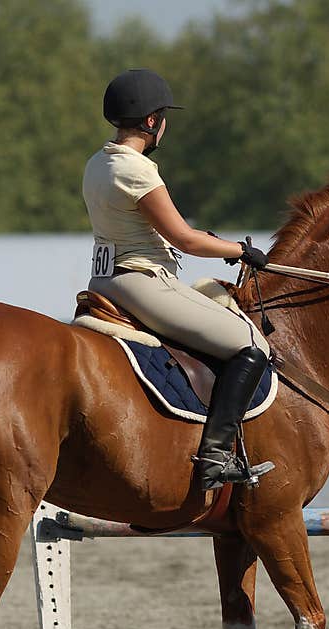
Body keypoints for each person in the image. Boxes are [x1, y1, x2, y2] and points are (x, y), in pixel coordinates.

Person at [83, 69, 274, 490]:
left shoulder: (98, 163)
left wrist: (212, 242)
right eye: (164, 116)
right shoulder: (138, 171)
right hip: (143, 283)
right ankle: (214, 457)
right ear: (151, 121)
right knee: (250, 345)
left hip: (104, 282)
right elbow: (185, 240)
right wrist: (241, 251)